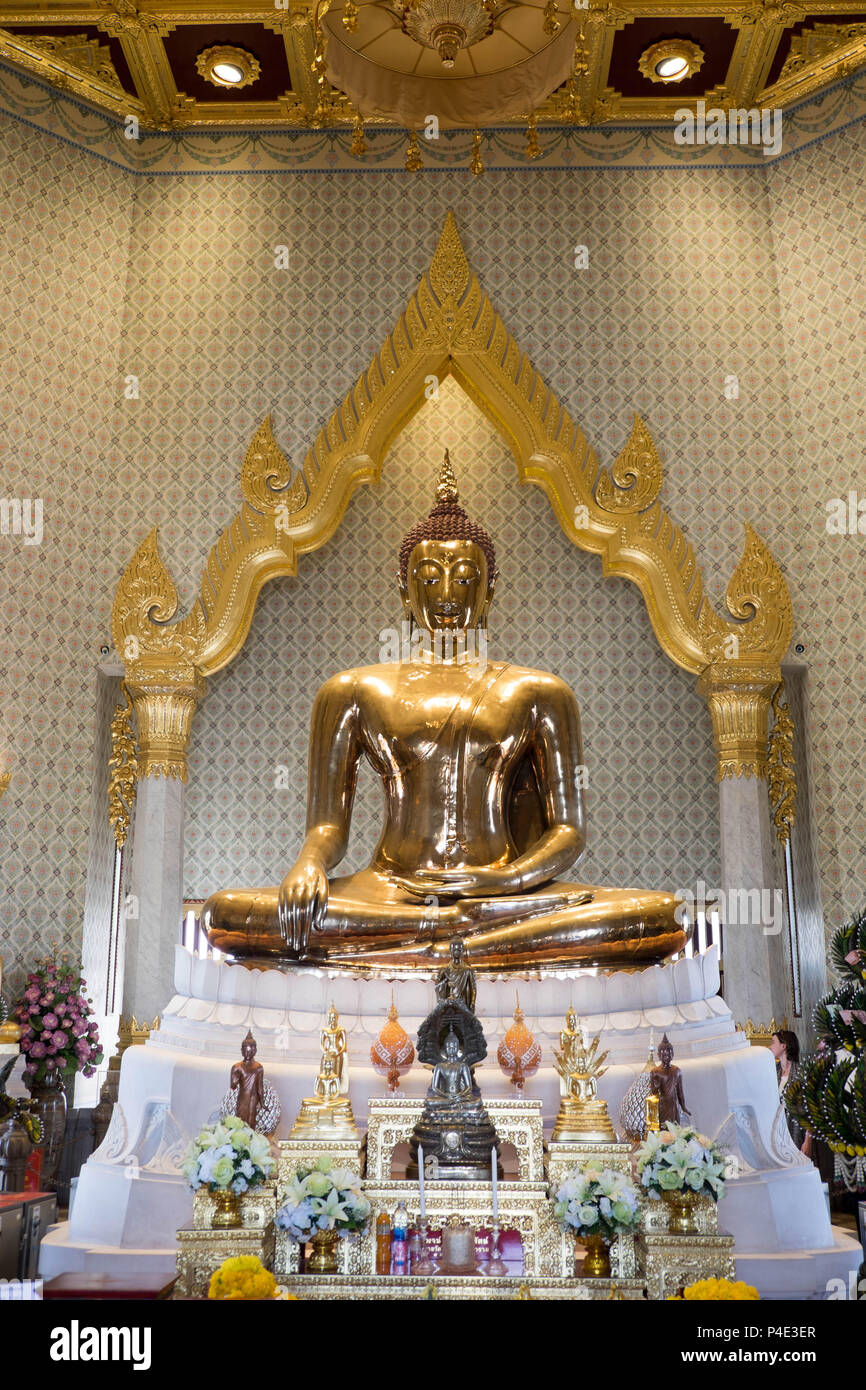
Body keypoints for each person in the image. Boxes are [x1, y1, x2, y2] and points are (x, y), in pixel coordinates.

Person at [771, 1029, 807, 1152]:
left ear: (784, 1046)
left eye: (773, 1042)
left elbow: (809, 1110)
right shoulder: (773, 1070)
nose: (770, 1046)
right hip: (776, 1132)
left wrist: (808, 1141)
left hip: (796, 1131)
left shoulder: (801, 1073)